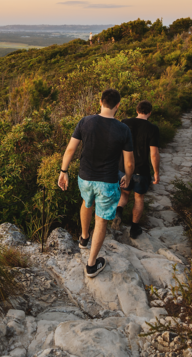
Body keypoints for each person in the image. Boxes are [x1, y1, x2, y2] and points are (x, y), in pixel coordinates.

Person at [58, 89, 135, 278]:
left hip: (85, 177)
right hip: (108, 182)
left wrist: (63, 171)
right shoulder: (123, 129)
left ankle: (84, 238)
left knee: (86, 203)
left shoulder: (85, 121)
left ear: (100, 102)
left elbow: (70, 149)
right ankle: (91, 265)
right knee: (100, 220)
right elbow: (129, 163)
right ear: (118, 105)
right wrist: (128, 176)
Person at [113, 100, 160, 239]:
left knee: (124, 193)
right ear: (149, 113)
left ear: (137, 110)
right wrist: (156, 172)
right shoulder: (152, 129)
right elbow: (154, 154)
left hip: (123, 168)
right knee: (139, 198)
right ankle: (134, 229)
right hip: (141, 171)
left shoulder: (125, 122)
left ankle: (118, 213)